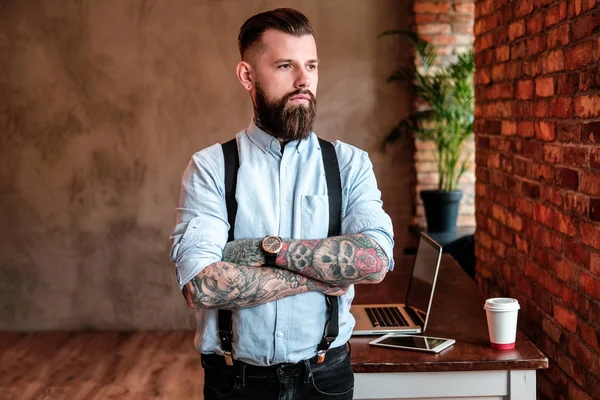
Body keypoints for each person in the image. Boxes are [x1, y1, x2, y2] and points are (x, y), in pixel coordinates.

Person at [169, 8, 394, 400]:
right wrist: (321, 275)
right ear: (247, 75)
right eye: (286, 65)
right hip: (236, 383)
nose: (304, 79)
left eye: (311, 65)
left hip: (326, 378)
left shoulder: (348, 163)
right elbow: (201, 285)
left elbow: (374, 260)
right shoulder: (210, 167)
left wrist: (261, 251)